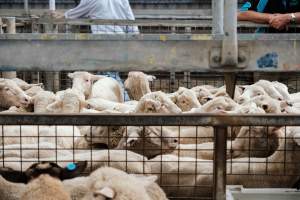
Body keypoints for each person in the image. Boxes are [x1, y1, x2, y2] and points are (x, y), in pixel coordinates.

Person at [53, 0, 139, 34]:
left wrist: (62, 15)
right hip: (123, 38)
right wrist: (136, 37)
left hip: (102, 40)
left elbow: (75, 13)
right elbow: (130, 18)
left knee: (107, 68)